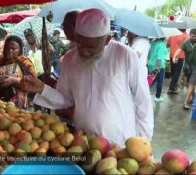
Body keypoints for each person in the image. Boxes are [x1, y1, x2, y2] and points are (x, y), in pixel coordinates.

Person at [20, 8, 154, 147]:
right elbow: (65, 100)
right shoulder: (69, 60)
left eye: (91, 47)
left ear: (107, 39)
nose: (83, 51)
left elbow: (143, 102)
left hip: (120, 144)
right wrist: (42, 89)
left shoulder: (125, 56)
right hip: (82, 142)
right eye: (79, 44)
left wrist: (143, 142)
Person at [0, 35, 37, 109]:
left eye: (14, 49)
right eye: (8, 48)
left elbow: (33, 82)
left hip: (17, 102)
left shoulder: (24, 62)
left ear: (20, 49)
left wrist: (14, 80)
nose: (10, 51)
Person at [172, 29, 196, 110]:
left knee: (191, 82)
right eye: (193, 36)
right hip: (187, 65)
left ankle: (186, 101)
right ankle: (193, 97)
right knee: (189, 83)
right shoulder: (186, 43)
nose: (194, 37)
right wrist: (175, 57)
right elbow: (179, 49)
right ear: (190, 35)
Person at [167, 29, 189, 93]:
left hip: (172, 55)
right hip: (180, 56)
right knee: (177, 72)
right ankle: (171, 88)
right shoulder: (186, 35)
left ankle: (174, 85)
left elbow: (167, 45)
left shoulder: (172, 34)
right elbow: (187, 46)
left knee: (174, 71)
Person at [148, 38, 169, 102]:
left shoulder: (153, 43)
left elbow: (149, 53)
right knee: (159, 82)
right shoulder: (162, 45)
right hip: (159, 66)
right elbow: (159, 57)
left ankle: (143, 93)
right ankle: (157, 97)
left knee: (151, 80)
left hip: (151, 64)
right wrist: (157, 67)